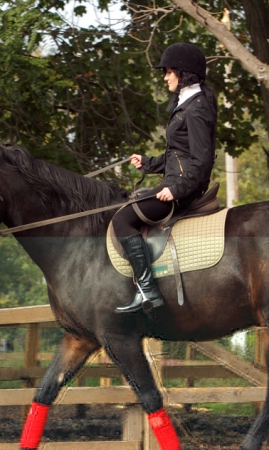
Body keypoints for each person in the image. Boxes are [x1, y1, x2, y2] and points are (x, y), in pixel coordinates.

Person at [112, 42, 218, 314]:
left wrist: (176, 189)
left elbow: (202, 161)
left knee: (122, 219)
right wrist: (147, 163)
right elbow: (178, 154)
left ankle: (148, 290)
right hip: (176, 184)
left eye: (169, 71)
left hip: (183, 191)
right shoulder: (187, 103)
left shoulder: (196, 109)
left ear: (183, 73)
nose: (165, 76)